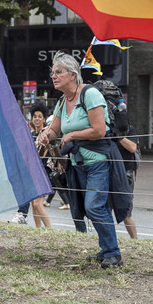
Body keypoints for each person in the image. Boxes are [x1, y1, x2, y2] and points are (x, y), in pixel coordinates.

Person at [36, 51, 124, 268]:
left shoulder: (90, 94)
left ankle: (114, 252)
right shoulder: (62, 100)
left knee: (94, 206)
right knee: (90, 206)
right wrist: (45, 134)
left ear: (73, 74)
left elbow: (99, 130)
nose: (53, 76)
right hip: (78, 164)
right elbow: (55, 130)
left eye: (58, 72)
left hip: (98, 162)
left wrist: (73, 135)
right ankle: (106, 250)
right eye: (52, 72)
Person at [28, 102, 51, 227]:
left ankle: (49, 231)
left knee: (38, 204)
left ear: (44, 119)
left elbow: (42, 155)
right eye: (35, 116)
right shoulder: (31, 135)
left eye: (40, 116)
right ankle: (38, 230)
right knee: (33, 204)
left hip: (44, 172)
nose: (37, 119)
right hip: (33, 172)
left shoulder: (45, 134)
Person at [115, 125, 140, 239]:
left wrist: (118, 136)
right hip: (109, 171)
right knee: (103, 209)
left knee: (126, 211)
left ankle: (135, 241)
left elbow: (132, 147)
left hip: (126, 173)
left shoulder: (129, 129)